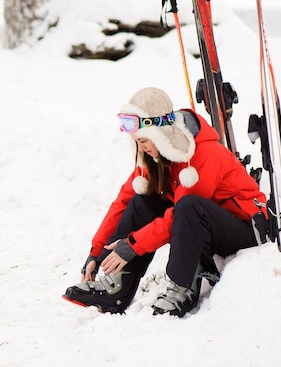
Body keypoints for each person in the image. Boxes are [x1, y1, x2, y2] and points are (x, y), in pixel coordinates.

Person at [63, 87, 267, 317]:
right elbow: (124, 200)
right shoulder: (159, 154)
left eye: (143, 140)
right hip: (204, 224)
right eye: (136, 142)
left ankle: (182, 287)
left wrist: (131, 245)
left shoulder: (203, 154)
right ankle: (117, 289)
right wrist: (97, 252)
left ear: (160, 133)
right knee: (143, 201)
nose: (141, 148)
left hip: (245, 228)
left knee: (189, 206)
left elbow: (179, 217)